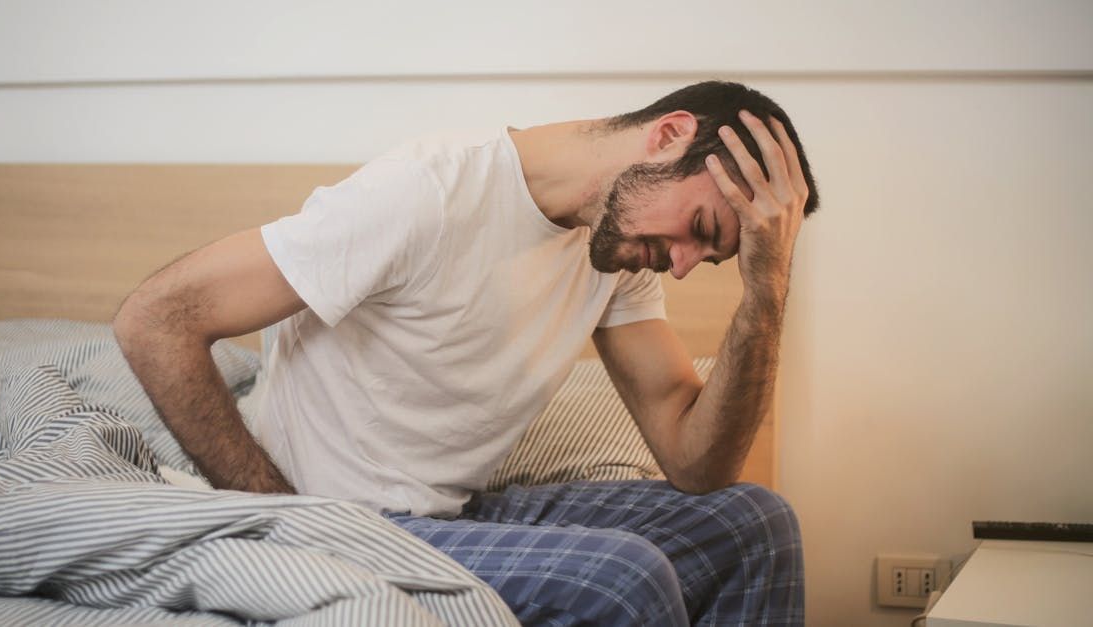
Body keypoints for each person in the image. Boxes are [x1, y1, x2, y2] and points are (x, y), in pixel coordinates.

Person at [114, 80, 820, 626]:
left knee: (755, 523)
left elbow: (697, 462)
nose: (687, 263)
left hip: (450, 513)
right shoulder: (428, 192)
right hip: (341, 516)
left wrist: (766, 289)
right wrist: (283, 516)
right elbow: (155, 319)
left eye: (714, 255)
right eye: (700, 227)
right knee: (623, 575)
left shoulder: (618, 252)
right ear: (668, 135)